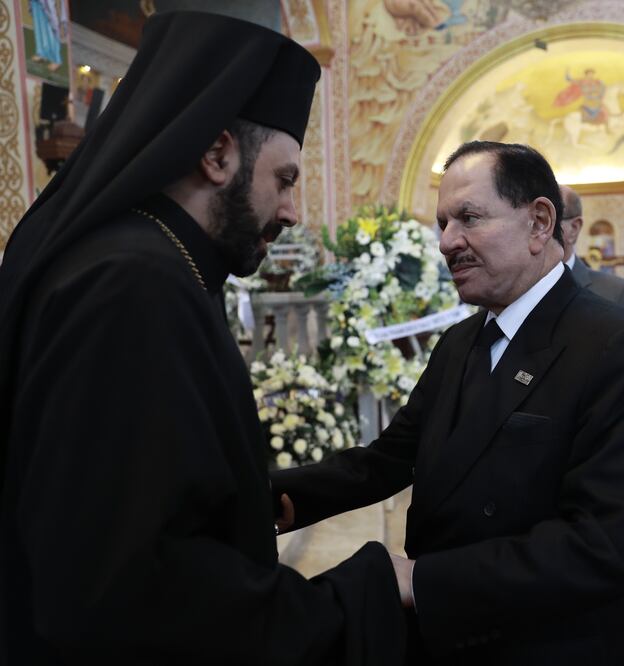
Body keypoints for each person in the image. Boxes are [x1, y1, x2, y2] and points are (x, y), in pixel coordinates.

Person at [0, 12, 405, 665]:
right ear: (218, 155)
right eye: (286, 179)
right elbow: (127, 590)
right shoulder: (132, 287)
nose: (293, 211)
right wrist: (361, 593)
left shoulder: (146, 262)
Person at [272, 141, 624, 665]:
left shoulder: (621, 345)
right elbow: (391, 457)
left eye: (468, 218)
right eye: (442, 222)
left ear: (539, 222)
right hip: (448, 639)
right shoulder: (459, 342)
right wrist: (277, 497)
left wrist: (421, 580)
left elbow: (602, 547)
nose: (446, 242)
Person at [559, 184, 624, 317]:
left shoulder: (618, 295)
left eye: (548, 220)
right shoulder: (521, 291)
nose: (537, 231)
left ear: (574, 229)